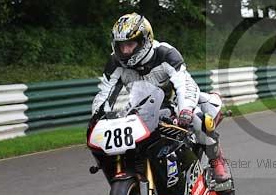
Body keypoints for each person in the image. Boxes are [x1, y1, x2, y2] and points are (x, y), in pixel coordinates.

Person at [91, 13, 230, 182]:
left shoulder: (165, 53)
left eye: (130, 44)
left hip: (174, 104)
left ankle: (216, 160)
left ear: (145, 41)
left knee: (200, 119)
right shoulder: (115, 63)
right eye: (121, 46)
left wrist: (186, 109)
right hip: (139, 110)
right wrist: (97, 116)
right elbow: (104, 93)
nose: (125, 50)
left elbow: (184, 83)